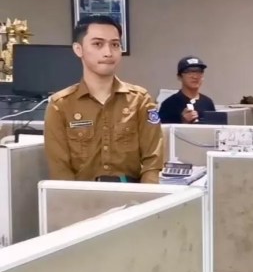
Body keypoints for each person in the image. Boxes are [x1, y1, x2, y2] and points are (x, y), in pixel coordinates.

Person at [43, 15, 163, 184]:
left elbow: (153, 163)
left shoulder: (140, 100)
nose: (108, 53)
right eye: (98, 44)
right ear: (78, 49)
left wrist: (145, 197)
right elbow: (60, 170)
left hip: (132, 195)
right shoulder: (60, 105)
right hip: (82, 196)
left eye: (115, 45)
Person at [158, 56, 216, 124]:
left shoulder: (208, 103)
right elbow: (162, 129)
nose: (195, 76)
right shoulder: (169, 104)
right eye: (189, 72)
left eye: (199, 72)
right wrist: (183, 122)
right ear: (179, 77)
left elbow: (214, 128)